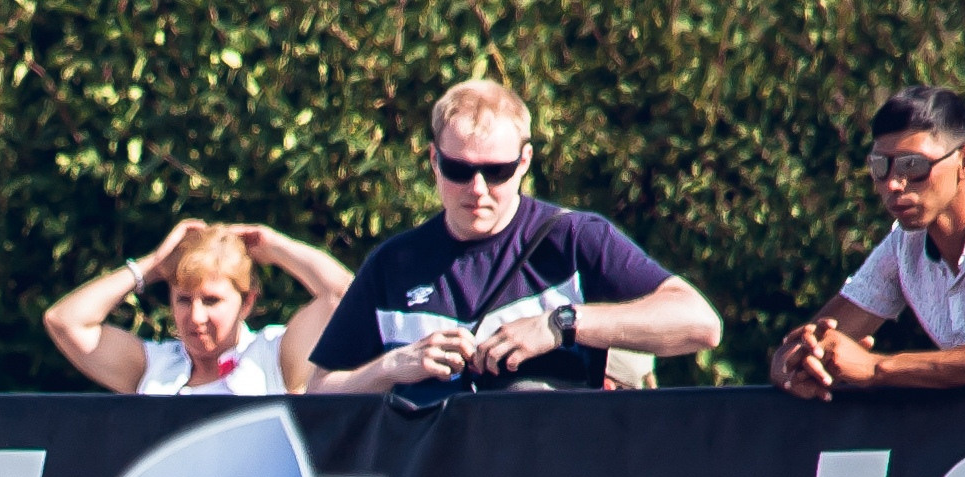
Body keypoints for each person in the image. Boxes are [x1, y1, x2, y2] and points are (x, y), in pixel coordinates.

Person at [306, 80, 721, 398]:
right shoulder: (393, 263)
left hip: (551, 474)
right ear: (433, 160)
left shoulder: (573, 238)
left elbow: (700, 323)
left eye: (496, 172)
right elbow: (318, 393)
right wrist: (393, 366)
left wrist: (562, 324)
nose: (477, 189)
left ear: (524, 161)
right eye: (458, 170)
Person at [770, 86, 965, 399]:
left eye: (913, 166)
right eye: (880, 166)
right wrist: (796, 364)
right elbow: (810, 345)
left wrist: (877, 368)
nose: (894, 184)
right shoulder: (903, 244)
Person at [43, 219, 354, 394]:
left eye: (211, 300)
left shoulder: (274, 354)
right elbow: (64, 321)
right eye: (183, 299)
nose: (196, 316)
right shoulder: (153, 366)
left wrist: (274, 246)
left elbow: (343, 295)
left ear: (247, 302)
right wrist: (152, 265)